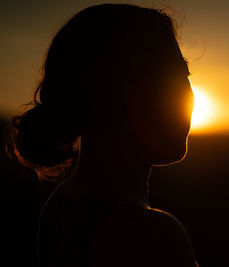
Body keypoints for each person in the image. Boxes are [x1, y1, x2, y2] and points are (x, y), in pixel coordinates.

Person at [8, 4, 197, 267]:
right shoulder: (149, 234)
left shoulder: (62, 206)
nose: (184, 96)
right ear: (110, 95)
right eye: (163, 81)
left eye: (184, 75)